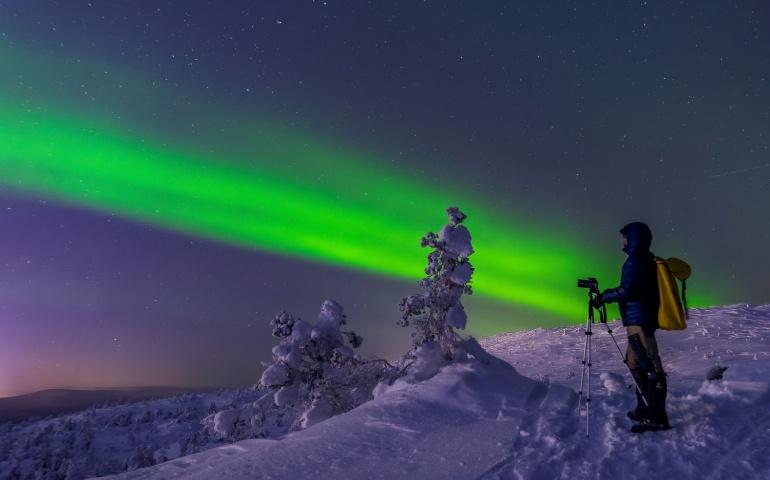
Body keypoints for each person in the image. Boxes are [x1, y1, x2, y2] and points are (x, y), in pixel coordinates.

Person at [593, 222, 670, 432]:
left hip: (640, 322)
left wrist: (604, 296)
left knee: (652, 367)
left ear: (634, 239)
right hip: (638, 320)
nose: (623, 241)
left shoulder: (635, 261)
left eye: (625, 237)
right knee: (635, 364)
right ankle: (644, 408)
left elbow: (628, 290)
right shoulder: (645, 260)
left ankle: (656, 416)